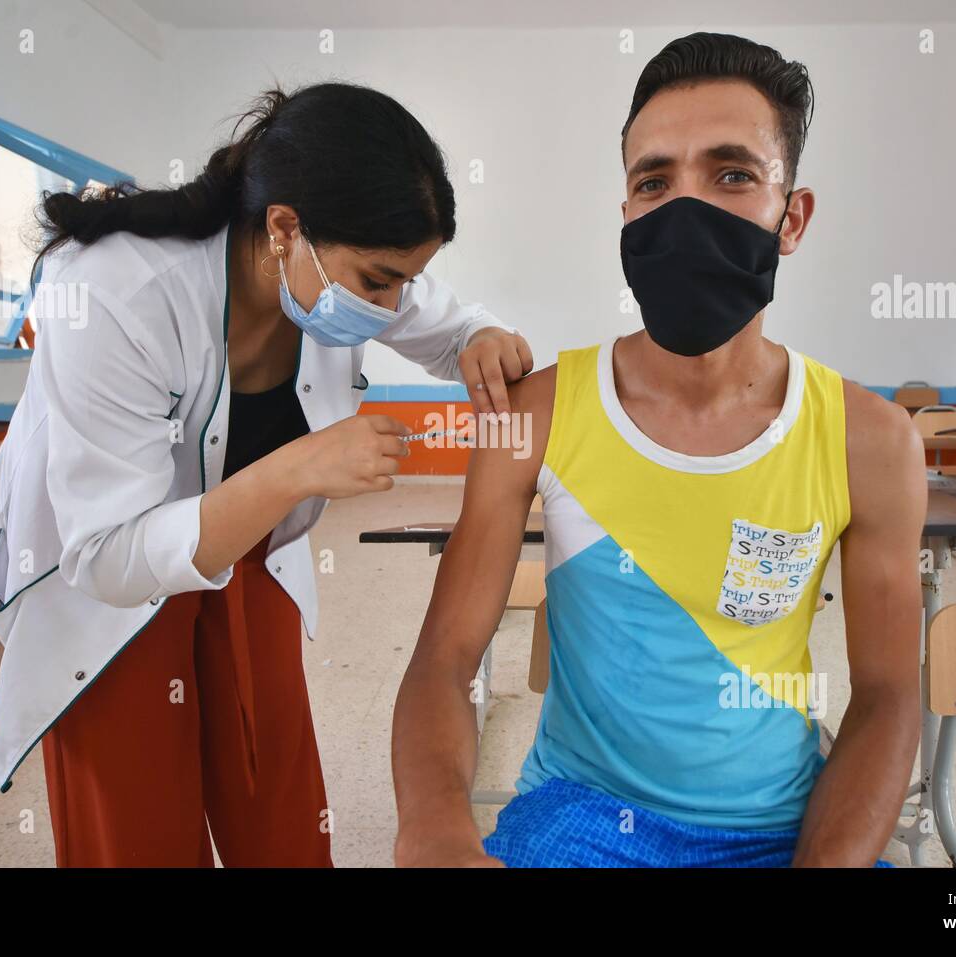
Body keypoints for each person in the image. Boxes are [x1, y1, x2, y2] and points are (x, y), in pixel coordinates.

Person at [0, 82, 533, 867]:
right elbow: (110, 555)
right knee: (138, 821)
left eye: (405, 280)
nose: (393, 304)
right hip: (104, 573)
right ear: (284, 228)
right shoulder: (113, 290)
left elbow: (438, 314)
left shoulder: (343, 270)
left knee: (278, 794)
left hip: (248, 550)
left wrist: (479, 334)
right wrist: (301, 466)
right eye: (377, 282)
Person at [391, 33, 925, 868]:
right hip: (580, 817)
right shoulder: (538, 410)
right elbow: (447, 656)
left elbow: (889, 693)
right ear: (628, 215)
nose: (686, 208)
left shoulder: (872, 440)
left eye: (732, 174)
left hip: (779, 830)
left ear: (793, 217)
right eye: (654, 181)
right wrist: (433, 832)